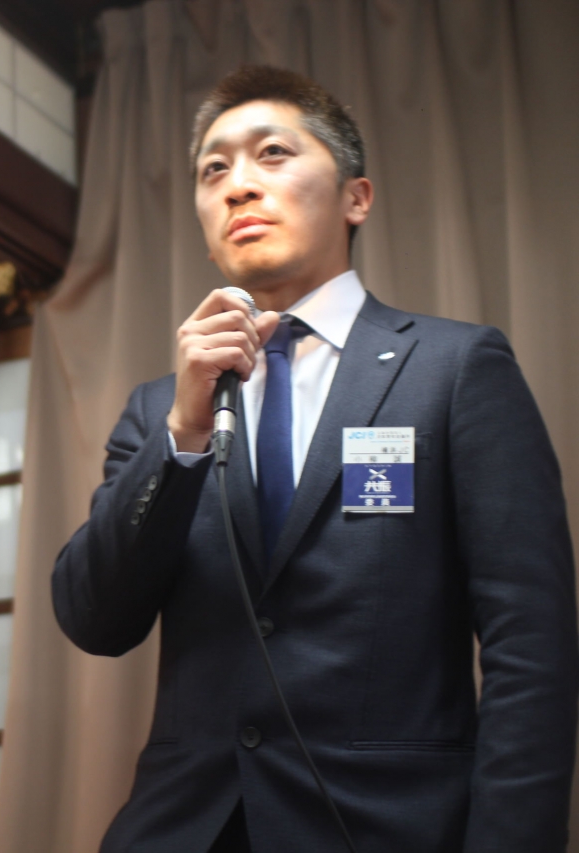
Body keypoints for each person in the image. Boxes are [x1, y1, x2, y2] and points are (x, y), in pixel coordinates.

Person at [52, 66, 578, 852]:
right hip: (190, 829)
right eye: (213, 169)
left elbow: (530, 642)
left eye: (272, 153)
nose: (238, 185)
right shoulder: (160, 408)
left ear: (355, 197)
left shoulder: (454, 369)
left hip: (390, 826)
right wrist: (183, 433)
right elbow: (93, 617)